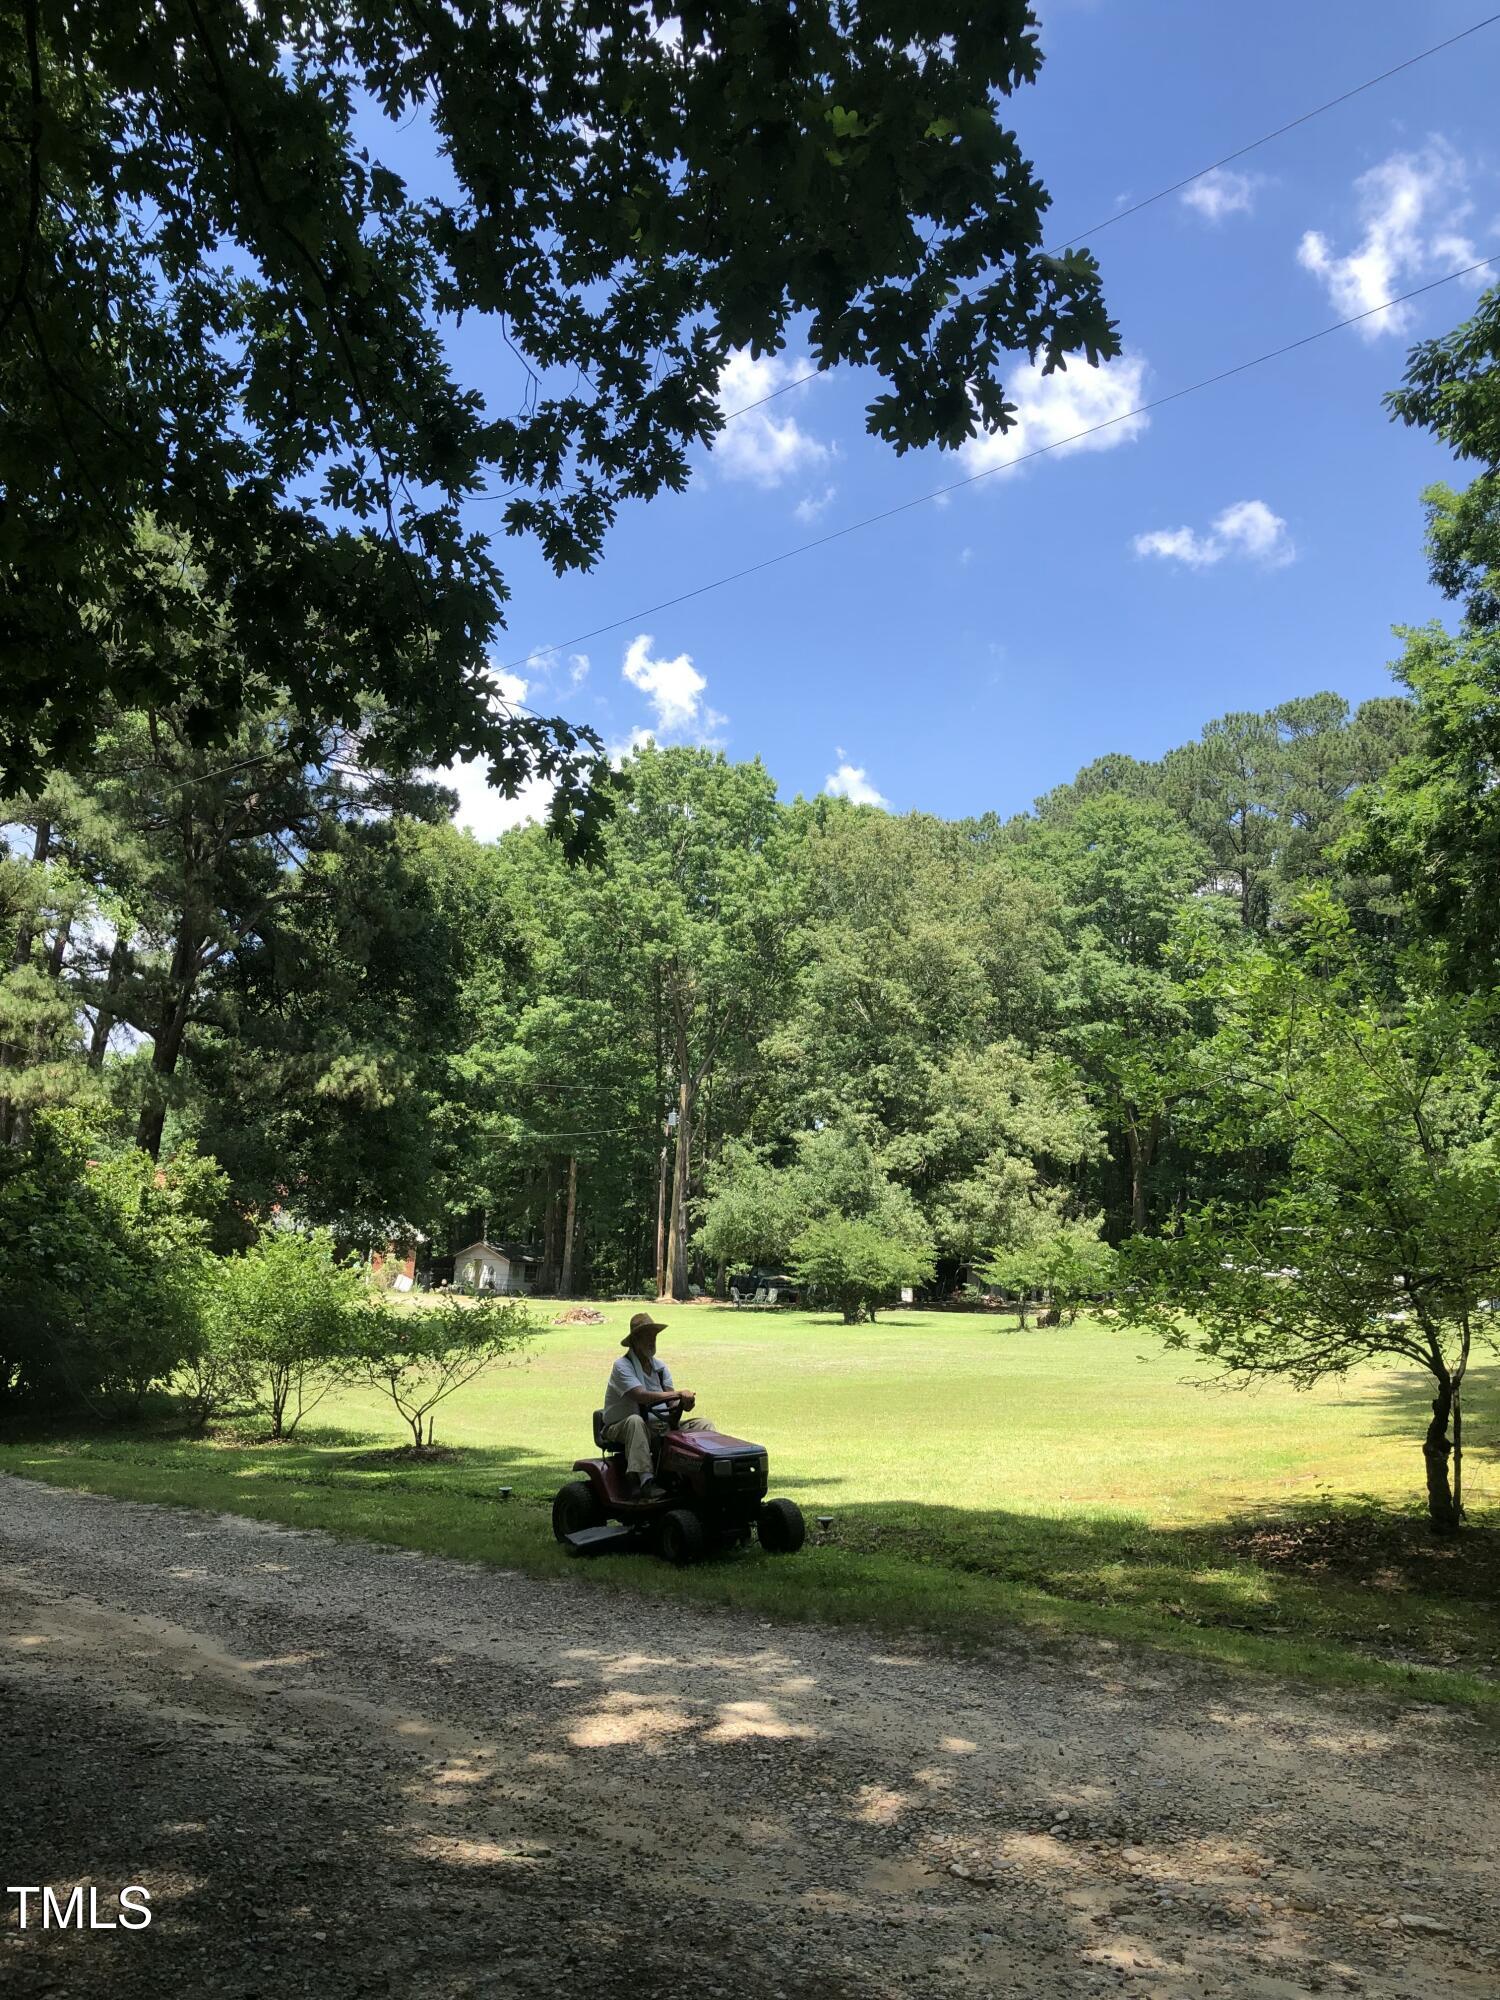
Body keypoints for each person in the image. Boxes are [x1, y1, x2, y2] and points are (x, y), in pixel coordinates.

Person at [601, 1311, 714, 1500]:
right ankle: (645, 1480)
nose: (652, 1341)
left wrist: (685, 1403)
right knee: (635, 1422)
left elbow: (672, 1402)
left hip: (659, 1423)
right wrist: (677, 1393)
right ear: (635, 1340)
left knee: (704, 1425)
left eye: (654, 1336)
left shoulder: (660, 1368)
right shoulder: (622, 1366)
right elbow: (641, 1396)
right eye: (647, 1337)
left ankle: (706, 1475)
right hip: (620, 1427)